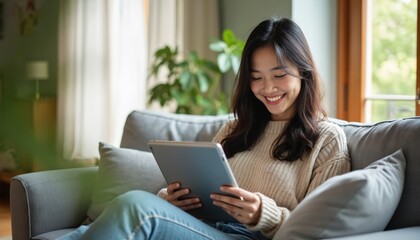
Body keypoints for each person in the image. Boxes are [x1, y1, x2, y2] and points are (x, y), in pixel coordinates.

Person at [59, 17, 350, 240]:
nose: (268, 88)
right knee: (99, 226)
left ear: (304, 72)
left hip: (246, 236)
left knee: (136, 207)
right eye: (256, 77)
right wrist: (171, 200)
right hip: (201, 226)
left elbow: (321, 228)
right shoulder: (234, 130)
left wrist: (264, 213)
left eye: (279, 75)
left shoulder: (326, 140)